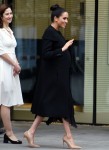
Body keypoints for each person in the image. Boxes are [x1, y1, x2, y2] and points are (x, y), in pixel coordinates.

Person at [24, 4, 81, 149]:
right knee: (63, 104)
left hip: (58, 76)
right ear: (55, 18)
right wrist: (63, 48)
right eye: (64, 18)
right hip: (54, 77)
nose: (66, 21)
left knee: (53, 104)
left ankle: (31, 132)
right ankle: (68, 137)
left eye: (67, 18)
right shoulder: (49, 32)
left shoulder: (56, 32)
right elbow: (46, 54)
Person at [0, 4, 23, 144]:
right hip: (4, 68)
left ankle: (8, 133)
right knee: (6, 101)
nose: (10, 16)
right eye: (7, 14)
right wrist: (15, 64)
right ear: (1, 16)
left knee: (7, 100)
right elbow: (1, 52)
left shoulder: (9, 30)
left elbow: (12, 51)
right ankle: (9, 133)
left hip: (12, 68)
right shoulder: (0, 31)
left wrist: (17, 64)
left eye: (11, 13)